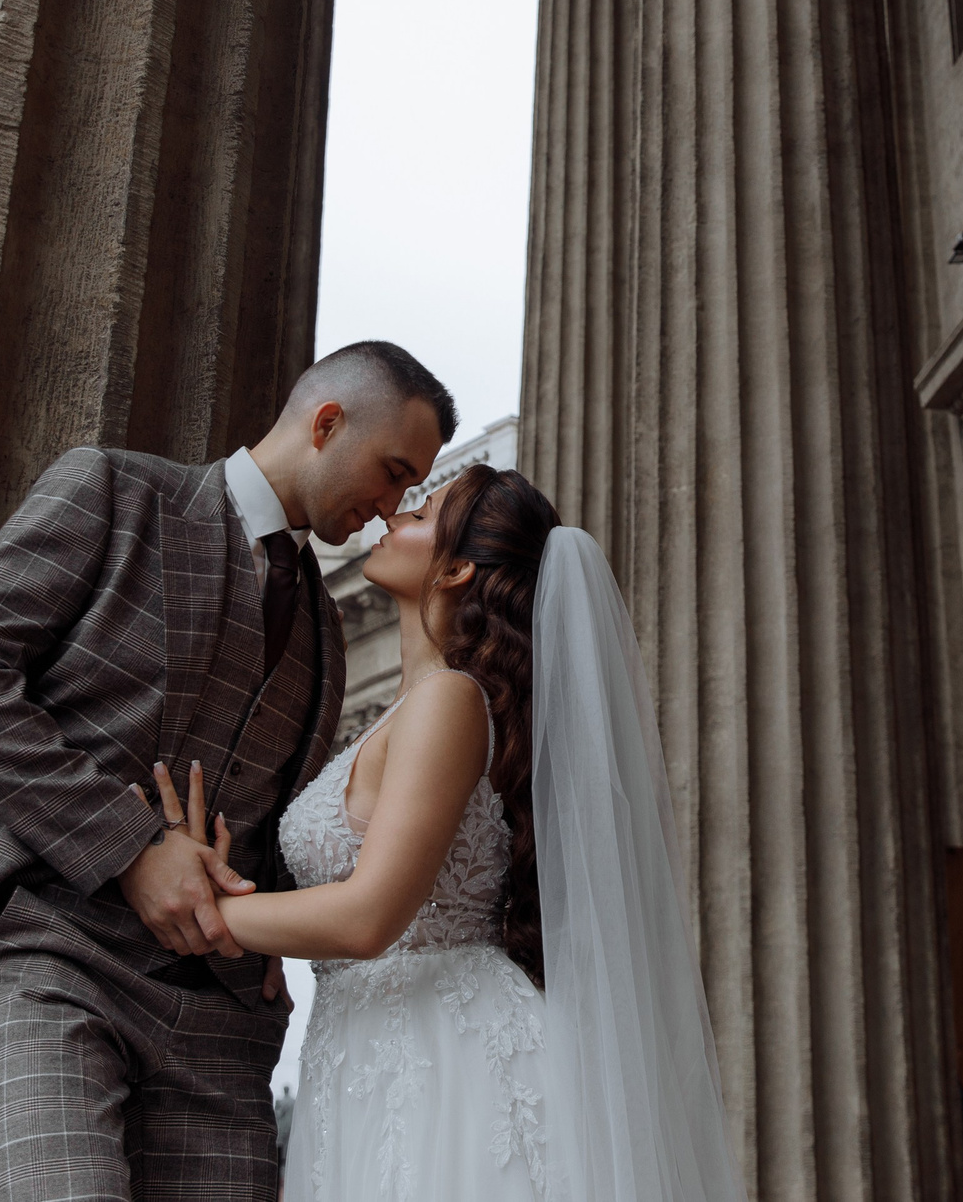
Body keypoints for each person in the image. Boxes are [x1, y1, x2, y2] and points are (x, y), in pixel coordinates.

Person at [0, 341, 453, 1202]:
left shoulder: (325, 627)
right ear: (325, 423)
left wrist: (270, 929)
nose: (389, 509)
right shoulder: (116, 493)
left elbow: (267, 809)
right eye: (392, 473)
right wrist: (131, 845)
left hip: (220, 1023)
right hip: (51, 959)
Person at [180, 462, 744, 1201]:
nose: (392, 515)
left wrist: (202, 908)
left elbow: (367, 917)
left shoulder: (448, 699)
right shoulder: (412, 710)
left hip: (444, 1060)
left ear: (456, 570)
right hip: (370, 1051)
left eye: (420, 514)